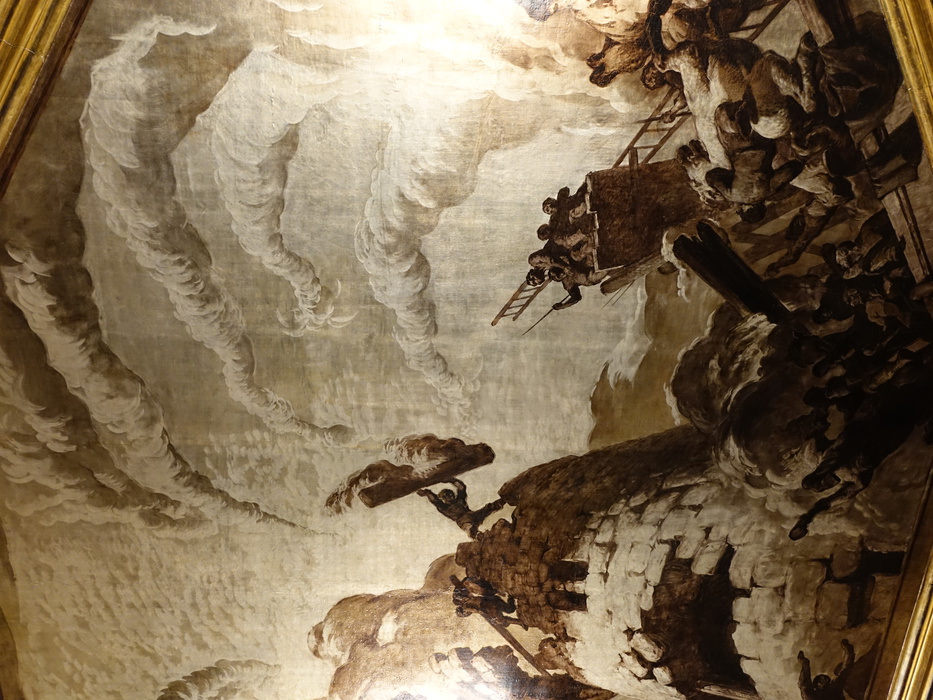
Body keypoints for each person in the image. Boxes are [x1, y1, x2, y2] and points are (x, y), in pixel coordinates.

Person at [417, 479, 505, 538]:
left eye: (451, 494)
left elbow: (461, 487)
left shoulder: (459, 499)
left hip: (472, 514)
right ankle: (477, 536)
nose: (450, 497)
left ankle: (503, 500)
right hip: (462, 520)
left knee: (488, 508)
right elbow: (434, 499)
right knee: (469, 528)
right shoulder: (443, 507)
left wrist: (451, 480)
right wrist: (427, 493)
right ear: (443, 499)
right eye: (446, 496)